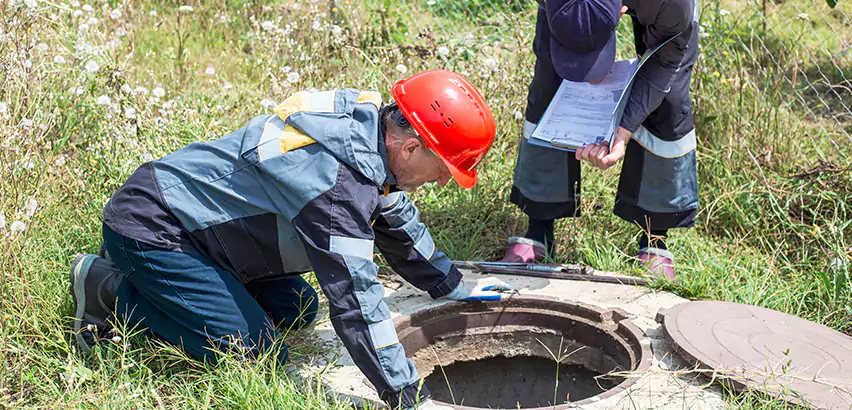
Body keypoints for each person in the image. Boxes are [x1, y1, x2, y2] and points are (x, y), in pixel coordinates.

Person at [69, 70, 512, 410]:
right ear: (412, 147)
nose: (440, 181)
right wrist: (405, 394)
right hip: (156, 226)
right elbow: (357, 300)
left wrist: (452, 285)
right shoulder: (339, 185)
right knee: (257, 353)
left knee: (298, 307)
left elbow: (393, 219)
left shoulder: (368, 134)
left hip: (208, 235)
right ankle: (108, 287)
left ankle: (169, 284)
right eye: (443, 169)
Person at [502, 0, 699, 280]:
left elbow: (667, 59)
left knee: (669, 100)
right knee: (549, 81)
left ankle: (654, 237)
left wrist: (623, 130)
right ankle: (539, 227)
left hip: (661, 9)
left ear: (621, 11)